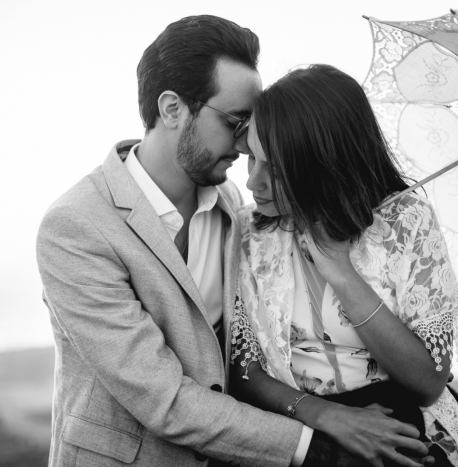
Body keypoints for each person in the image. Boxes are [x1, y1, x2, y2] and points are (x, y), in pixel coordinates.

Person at [36, 16, 429, 467]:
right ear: (171, 109)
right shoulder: (76, 226)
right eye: (235, 121)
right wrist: (317, 443)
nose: (246, 146)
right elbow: (162, 397)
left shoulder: (232, 204)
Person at [230, 64, 458, 467]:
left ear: (321, 163)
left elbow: (427, 383)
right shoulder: (247, 232)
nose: (253, 183)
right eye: (252, 159)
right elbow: (241, 367)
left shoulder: (405, 221)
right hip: (298, 435)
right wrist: (325, 416)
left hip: (404, 429)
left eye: (275, 169)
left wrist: (341, 271)